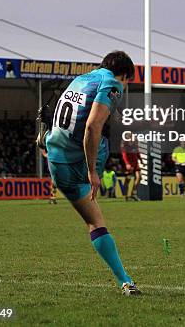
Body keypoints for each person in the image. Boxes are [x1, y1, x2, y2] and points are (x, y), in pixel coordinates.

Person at [37, 51, 140, 296]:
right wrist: (93, 171)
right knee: (102, 133)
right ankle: (125, 282)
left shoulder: (80, 80)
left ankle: (126, 280)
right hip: (79, 161)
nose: (124, 86)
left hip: (56, 160)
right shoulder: (112, 83)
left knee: (94, 221)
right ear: (124, 75)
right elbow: (93, 126)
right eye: (127, 81)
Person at [120, 135, 141, 201]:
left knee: (139, 177)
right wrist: (127, 163)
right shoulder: (125, 145)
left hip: (135, 164)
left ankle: (133, 194)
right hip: (129, 164)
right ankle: (126, 196)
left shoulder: (135, 144)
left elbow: (137, 152)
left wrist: (141, 160)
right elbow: (124, 155)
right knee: (128, 179)